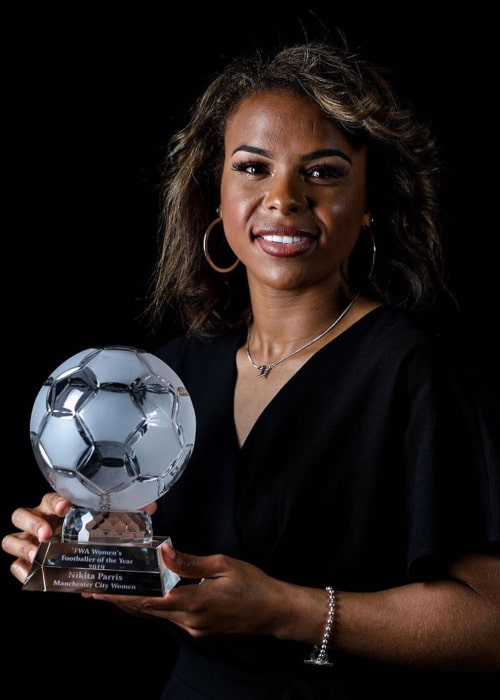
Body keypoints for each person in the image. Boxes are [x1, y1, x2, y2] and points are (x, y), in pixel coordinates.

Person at [3, 39, 499, 697]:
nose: (284, 198)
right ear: (217, 192)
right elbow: (167, 569)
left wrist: (285, 609)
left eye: (322, 171)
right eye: (253, 167)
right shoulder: (171, 376)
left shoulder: (413, 369)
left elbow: (491, 624)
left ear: (371, 197)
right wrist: (78, 548)